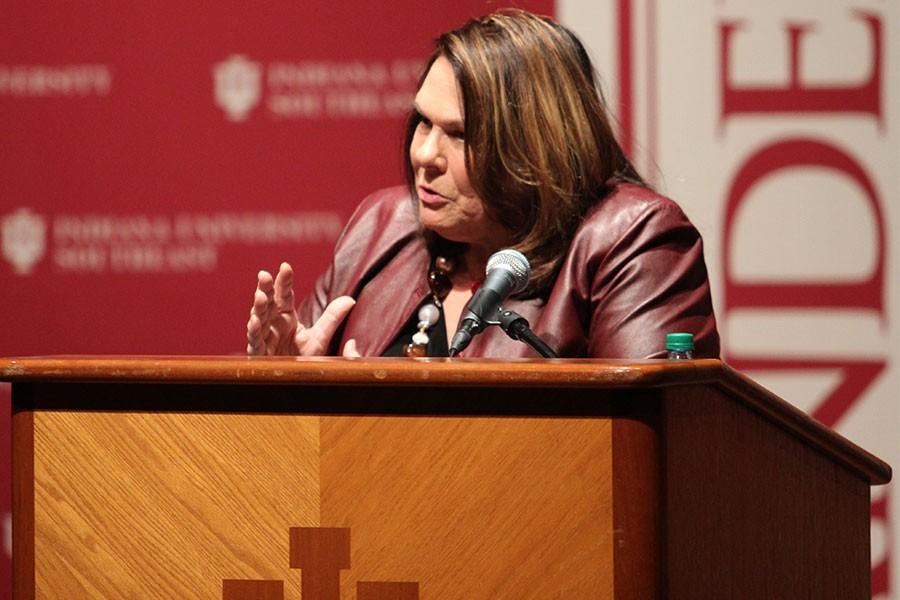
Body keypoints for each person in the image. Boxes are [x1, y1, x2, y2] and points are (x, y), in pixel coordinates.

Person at [246, 10, 719, 359]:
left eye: (458, 134)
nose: (424, 154)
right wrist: (287, 383)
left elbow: (644, 442)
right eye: (423, 123)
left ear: (533, 147)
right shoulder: (382, 226)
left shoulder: (631, 238)